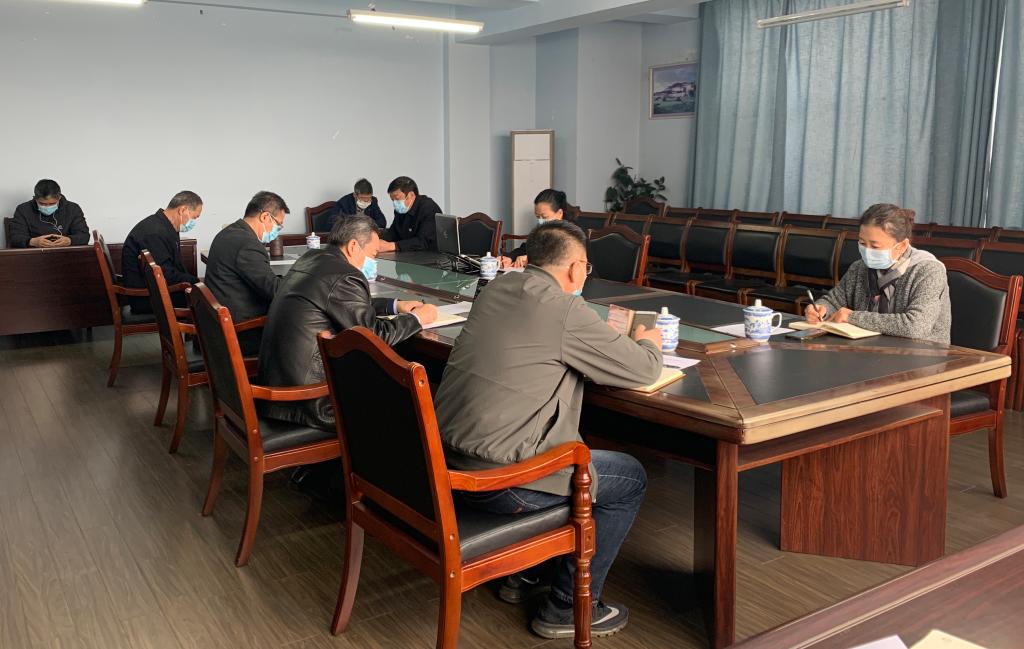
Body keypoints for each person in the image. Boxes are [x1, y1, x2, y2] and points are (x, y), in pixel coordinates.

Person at [434, 220, 663, 639]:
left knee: (566, 447)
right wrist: (650, 341)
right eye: (586, 267)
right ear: (576, 269)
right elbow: (644, 369)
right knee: (629, 477)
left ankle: (523, 574)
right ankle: (565, 606)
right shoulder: (565, 310)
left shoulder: (496, 289)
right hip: (501, 483)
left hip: (446, 463)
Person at [257, 215, 438, 430]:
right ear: (353, 246)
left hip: (277, 387)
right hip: (309, 401)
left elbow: (340, 301)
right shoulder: (346, 275)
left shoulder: (313, 258)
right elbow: (373, 336)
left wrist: (395, 305)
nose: (374, 261)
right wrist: (417, 319)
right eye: (373, 254)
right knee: (404, 398)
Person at [806, 203, 951, 345]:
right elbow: (834, 300)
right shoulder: (859, 267)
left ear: (902, 246)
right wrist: (821, 308)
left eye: (875, 246)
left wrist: (852, 317)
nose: (867, 251)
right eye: (862, 243)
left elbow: (916, 326)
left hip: (922, 353)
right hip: (868, 349)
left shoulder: (928, 271)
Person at [204, 191, 289, 356]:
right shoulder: (248, 244)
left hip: (219, 324)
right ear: (265, 217)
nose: (277, 231)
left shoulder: (228, 233)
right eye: (278, 225)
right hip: (241, 332)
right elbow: (273, 290)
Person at [121, 191, 203, 314]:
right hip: (146, 297)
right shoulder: (154, 233)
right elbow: (165, 275)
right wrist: (196, 282)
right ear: (182, 210)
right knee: (204, 302)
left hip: (155, 290)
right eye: (194, 217)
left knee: (201, 294)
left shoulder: (163, 226)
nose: (194, 222)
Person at [498, 189, 569, 269]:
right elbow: (525, 248)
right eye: (538, 217)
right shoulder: (541, 229)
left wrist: (531, 259)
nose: (540, 221)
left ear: (560, 213)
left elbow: (559, 258)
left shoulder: (571, 234)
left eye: (544, 217)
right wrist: (510, 257)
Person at [9, 179, 89, 248]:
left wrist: (69, 240)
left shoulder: (73, 209)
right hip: (33, 255)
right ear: (35, 198)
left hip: (66, 255)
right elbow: (15, 238)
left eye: (52, 204)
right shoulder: (23, 209)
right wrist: (32, 242)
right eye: (42, 203)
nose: (47, 207)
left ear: (59, 198)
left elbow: (84, 236)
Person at [376, 176, 441, 252]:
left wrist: (393, 246)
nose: (395, 203)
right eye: (392, 200)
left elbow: (424, 242)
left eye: (397, 199)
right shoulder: (401, 210)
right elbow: (393, 233)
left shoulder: (428, 208)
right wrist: (375, 238)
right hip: (408, 254)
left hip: (429, 256)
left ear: (411, 195)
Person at [316, 178, 387, 231]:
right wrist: (356, 225)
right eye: (362, 198)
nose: (366, 201)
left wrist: (366, 225)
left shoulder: (373, 201)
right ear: (355, 195)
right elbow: (331, 225)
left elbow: (382, 222)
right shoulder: (343, 203)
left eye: (368, 198)